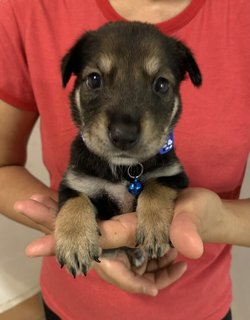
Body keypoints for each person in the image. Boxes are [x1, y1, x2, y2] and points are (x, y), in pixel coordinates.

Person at [0, 0, 249, 319]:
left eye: (160, 85)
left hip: (199, 309)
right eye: (95, 81)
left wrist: (218, 220)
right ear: (72, 81)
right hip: (73, 303)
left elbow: (170, 183)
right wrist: (69, 222)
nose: (123, 129)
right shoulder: (29, 7)